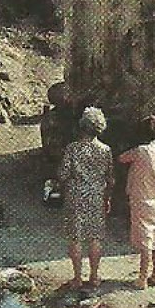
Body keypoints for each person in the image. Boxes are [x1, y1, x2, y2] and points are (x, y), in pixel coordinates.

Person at [117, 115, 155, 290]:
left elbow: (121, 158)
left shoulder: (140, 151)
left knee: (145, 242)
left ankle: (142, 277)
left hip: (141, 199)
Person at [58, 106, 113, 289]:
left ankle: (77, 277)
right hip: (97, 194)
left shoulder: (72, 149)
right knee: (95, 236)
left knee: (75, 237)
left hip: (76, 194)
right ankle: (95, 276)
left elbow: (64, 173)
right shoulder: (106, 150)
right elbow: (109, 176)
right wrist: (108, 197)